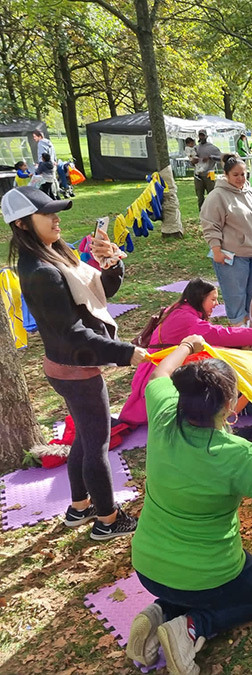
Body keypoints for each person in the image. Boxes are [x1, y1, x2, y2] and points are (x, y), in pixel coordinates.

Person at [126, 336, 252, 674]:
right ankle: (191, 627)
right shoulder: (235, 454)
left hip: (146, 566)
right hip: (207, 575)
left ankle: (158, 613)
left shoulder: (162, 416)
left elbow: (160, 374)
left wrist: (188, 346)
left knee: (185, 584)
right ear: (231, 404)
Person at [3, 186, 148, 539]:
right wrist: (125, 352)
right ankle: (108, 520)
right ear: (22, 224)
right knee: (96, 445)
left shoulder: (56, 255)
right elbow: (73, 333)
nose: (56, 220)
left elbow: (100, 293)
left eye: (56, 212)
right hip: (75, 370)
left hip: (69, 366)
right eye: (47, 214)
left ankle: (80, 506)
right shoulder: (40, 271)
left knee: (84, 439)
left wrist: (112, 265)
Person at [118, 278, 252, 427]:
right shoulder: (187, 319)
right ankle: (239, 405)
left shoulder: (179, 309)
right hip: (159, 371)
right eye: (213, 299)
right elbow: (219, 334)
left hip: (157, 369)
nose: (216, 303)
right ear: (200, 298)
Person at [201, 154, 252, 326]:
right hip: (232, 256)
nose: (240, 178)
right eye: (236, 175)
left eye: (243, 174)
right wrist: (216, 250)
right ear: (226, 175)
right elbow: (211, 225)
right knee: (236, 296)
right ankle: (238, 330)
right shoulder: (217, 196)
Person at [191, 129, 221, 210]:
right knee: (200, 197)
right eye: (200, 135)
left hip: (209, 175)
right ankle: (202, 215)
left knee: (212, 196)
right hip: (198, 176)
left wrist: (210, 157)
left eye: (203, 135)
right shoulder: (195, 148)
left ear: (206, 136)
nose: (201, 137)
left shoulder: (212, 148)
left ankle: (214, 213)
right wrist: (193, 161)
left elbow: (221, 158)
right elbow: (191, 162)